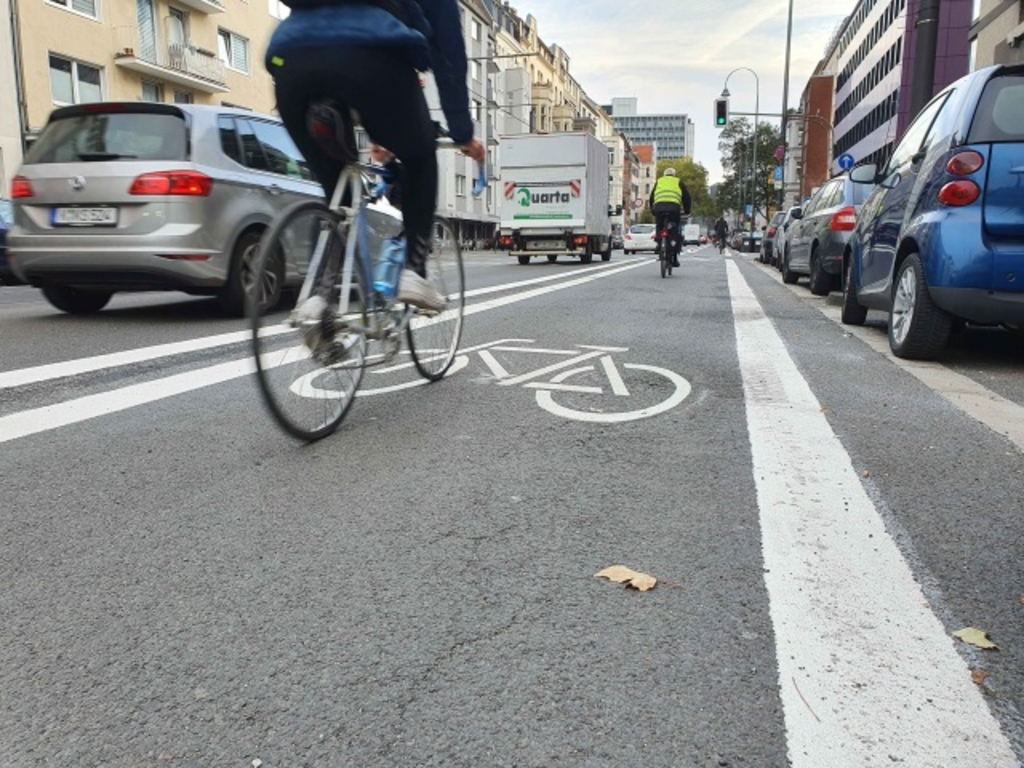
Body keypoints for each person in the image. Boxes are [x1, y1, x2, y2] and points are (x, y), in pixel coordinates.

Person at [264, 0, 486, 312]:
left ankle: (318, 300)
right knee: (420, 157)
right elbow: (448, 55)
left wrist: (381, 133)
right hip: (372, 58)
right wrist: (462, 133)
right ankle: (414, 272)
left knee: (337, 194)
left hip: (291, 64)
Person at [648, 167, 692, 268]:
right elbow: (686, 197)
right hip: (674, 208)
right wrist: (687, 210)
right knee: (674, 230)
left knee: (659, 226)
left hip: (659, 208)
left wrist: (652, 209)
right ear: (674, 174)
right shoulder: (678, 181)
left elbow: (651, 197)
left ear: (664, 175)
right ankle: (674, 255)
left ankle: (659, 244)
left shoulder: (659, 181)